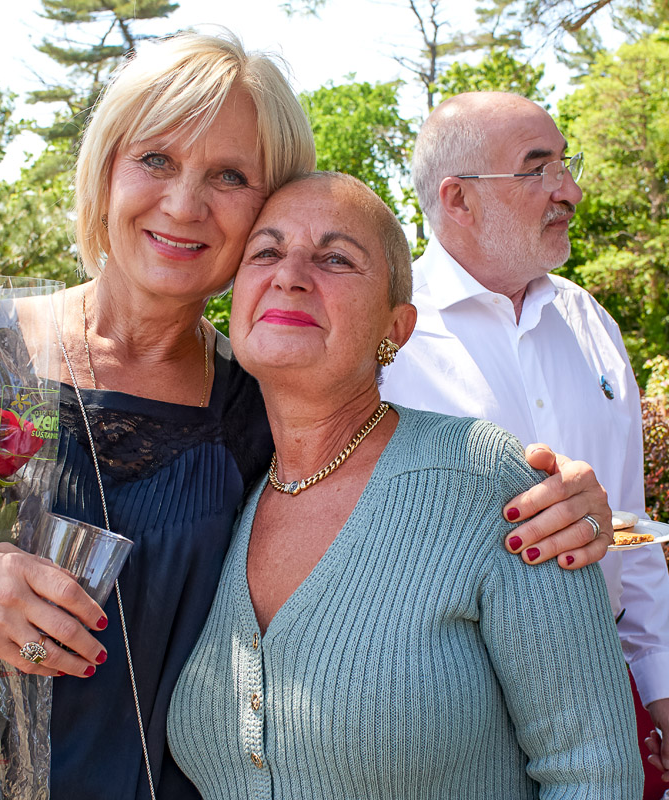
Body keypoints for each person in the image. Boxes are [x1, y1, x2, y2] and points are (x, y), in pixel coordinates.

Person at [0, 35, 613, 800]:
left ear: (266, 205)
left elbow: (404, 462)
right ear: (106, 171)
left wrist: (563, 498)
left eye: (228, 176)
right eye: (155, 158)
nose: (184, 203)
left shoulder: (260, 405)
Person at [167, 172, 642, 799]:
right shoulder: (221, 493)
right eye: (266, 251)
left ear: (397, 328)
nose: (290, 274)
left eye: (336, 258)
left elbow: (593, 769)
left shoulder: (486, 482)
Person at [381, 91, 669, 798]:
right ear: (458, 198)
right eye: (541, 169)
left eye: (567, 164)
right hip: (451, 720)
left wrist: (661, 680)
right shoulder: (381, 337)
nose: (572, 190)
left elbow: (629, 524)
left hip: (607, 696)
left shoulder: (591, 322)